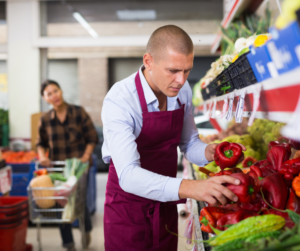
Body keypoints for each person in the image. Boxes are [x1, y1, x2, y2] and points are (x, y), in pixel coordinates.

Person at [101, 25, 245, 251]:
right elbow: (128, 175)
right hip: (128, 208)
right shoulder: (120, 100)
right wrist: (193, 188)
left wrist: (209, 151)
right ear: (148, 61)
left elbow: (188, 143)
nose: (181, 79)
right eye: (173, 70)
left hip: (166, 199)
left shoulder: (182, 90)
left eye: (187, 70)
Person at [36, 80, 98, 251]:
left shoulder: (78, 113)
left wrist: (85, 156)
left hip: (79, 170)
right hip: (58, 170)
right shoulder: (45, 119)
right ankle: (68, 244)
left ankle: (86, 230)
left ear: (61, 91)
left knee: (79, 202)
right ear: (44, 98)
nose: (54, 95)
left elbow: (93, 137)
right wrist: (42, 156)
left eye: (55, 91)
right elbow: (40, 143)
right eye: (49, 94)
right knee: (60, 204)